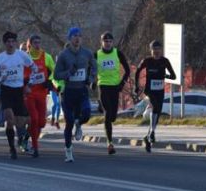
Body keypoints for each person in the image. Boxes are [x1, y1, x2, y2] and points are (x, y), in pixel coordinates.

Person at [0, 31, 37, 160]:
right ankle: (12, 148)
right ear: (5, 44)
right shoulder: (0, 59)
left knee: (27, 121)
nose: (11, 44)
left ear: (16, 43)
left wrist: (29, 84)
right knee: (10, 119)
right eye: (8, 42)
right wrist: (1, 79)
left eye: (13, 42)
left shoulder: (22, 55)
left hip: (19, 91)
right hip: (6, 91)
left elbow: (35, 69)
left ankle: (23, 139)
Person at [54, 27, 96, 163]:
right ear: (70, 39)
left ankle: (79, 124)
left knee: (87, 114)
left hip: (82, 91)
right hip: (68, 93)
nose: (77, 38)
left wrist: (90, 79)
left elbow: (94, 66)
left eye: (79, 36)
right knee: (69, 122)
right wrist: (68, 73)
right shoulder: (63, 55)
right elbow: (56, 74)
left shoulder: (87, 53)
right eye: (74, 36)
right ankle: (68, 150)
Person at [133, 40, 176, 153]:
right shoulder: (147, 61)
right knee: (154, 106)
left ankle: (148, 137)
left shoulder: (165, 61)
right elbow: (137, 72)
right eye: (154, 49)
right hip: (149, 90)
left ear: (161, 50)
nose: (156, 51)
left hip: (160, 90)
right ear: (151, 50)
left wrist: (165, 75)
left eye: (158, 49)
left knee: (157, 112)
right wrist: (136, 86)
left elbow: (173, 75)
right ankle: (152, 133)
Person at [95, 32, 131, 155]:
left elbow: (127, 70)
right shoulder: (97, 54)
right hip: (103, 85)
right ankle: (110, 143)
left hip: (115, 87)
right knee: (107, 114)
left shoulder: (118, 53)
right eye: (106, 41)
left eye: (110, 41)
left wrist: (122, 83)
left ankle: (101, 104)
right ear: (102, 42)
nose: (108, 44)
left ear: (112, 42)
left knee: (113, 117)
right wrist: (92, 81)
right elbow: (90, 68)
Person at [23, 35, 55, 158]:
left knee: (41, 123)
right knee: (34, 119)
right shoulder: (25, 58)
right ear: (29, 44)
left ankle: (26, 136)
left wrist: (50, 80)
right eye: (35, 43)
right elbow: (20, 72)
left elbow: (54, 71)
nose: (37, 45)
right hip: (29, 93)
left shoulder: (46, 57)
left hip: (42, 93)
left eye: (39, 42)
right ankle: (35, 147)